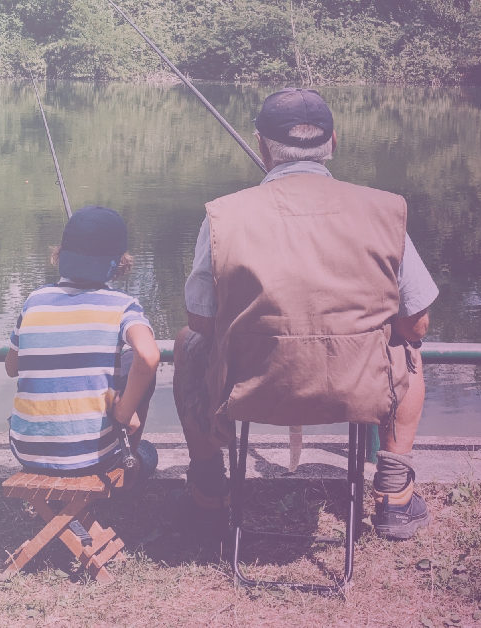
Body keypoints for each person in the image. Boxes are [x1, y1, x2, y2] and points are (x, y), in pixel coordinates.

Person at [173, 88, 438, 540]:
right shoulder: (384, 210)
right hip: (359, 389)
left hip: (249, 390)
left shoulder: (223, 216)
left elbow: (200, 320)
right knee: (408, 352)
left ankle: (208, 487)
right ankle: (394, 495)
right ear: (334, 142)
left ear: (260, 145)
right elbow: (417, 324)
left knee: (186, 344)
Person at [5, 205, 160, 480]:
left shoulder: (34, 301)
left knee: (122, 363)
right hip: (93, 459)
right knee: (149, 453)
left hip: (26, 451)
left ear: (60, 254)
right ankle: (129, 460)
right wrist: (124, 413)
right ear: (119, 262)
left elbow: (11, 367)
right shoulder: (124, 306)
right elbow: (148, 356)